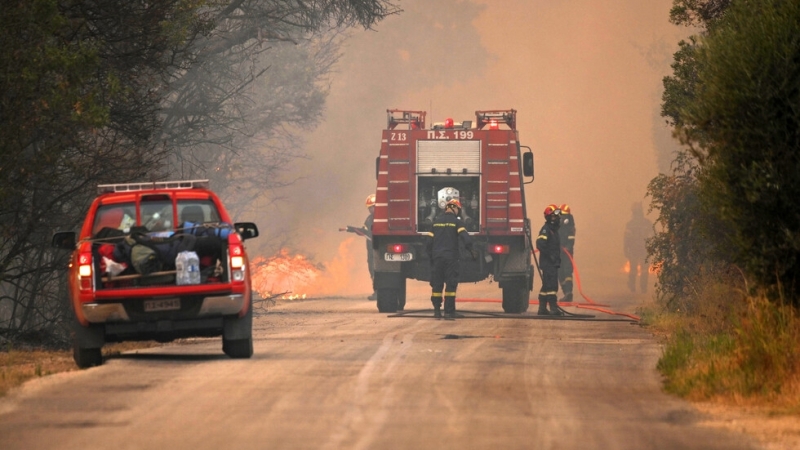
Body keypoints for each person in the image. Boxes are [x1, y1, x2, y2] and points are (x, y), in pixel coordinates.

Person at [426, 199, 477, 318]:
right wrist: (472, 250)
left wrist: (431, 257)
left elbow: (429, 242)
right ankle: (449, 312)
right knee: (450, 284)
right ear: (455, 209)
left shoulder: (436, 222)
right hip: (450, 258)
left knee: (437, 285)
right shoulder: (456, 223)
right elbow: (465, 238)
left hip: (437, 258)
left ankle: (437, 311)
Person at [340, 194, 377, 300]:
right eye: (369, 208)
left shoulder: (385, 217)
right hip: (371, 249)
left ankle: (381, 292)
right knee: (372, 270)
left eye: (373, 207)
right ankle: (377, 292)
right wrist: (351, 229)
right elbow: (364, 231)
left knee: (379, 269)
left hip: (380, 248)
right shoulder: (369, 219)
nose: (371, 210)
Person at [536, 204, 563, 316]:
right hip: (548, 263)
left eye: (556, 216)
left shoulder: (553, 230)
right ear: (548, 217)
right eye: (552, 217)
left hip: (552, 262)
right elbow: (540, 244)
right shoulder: (546, 230)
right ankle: (553, 308)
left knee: (546, 286)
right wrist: (550, 255)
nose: (555, 218)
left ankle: (542, 309)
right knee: (552, 286)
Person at [624, 202, 653, 294]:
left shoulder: (630, 224)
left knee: (633, 269)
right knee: (644, 269)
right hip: (645, 249)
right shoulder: (647, 223)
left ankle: (632, 286)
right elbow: (653, 236)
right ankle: (643, 288)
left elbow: (626, 238)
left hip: (633, 249)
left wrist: (625, 249)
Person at [557, 203, 576, 302]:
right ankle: (566, 293)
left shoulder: (569, 224)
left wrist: (567, 247)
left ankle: (569, 292)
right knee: (560, 272)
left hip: (566, 252)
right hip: (558, 252)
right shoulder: (557, 222)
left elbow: (571, 237)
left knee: (567, 271)